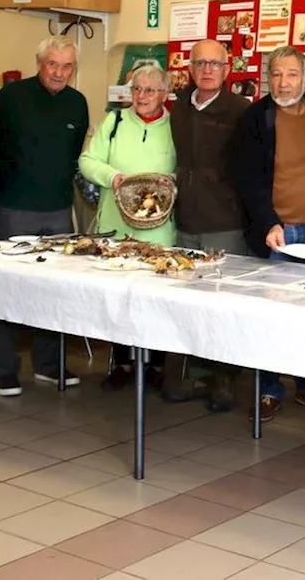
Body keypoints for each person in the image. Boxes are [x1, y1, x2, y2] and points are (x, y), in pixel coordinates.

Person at [235, 47, 305, 423]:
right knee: (269, 314)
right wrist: (267, 224)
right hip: (272, 232)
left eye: (291, 74)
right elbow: (246, 179)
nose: (283, 82)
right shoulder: (255, 118)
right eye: (276, 74)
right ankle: (268, 389)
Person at [0, 35, 89, 397]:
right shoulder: (11, 98)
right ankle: (3, 367)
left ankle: (47, 364)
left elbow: (74, 156)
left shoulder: (78, 103)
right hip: (14, 208)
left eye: (67, 67)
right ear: (39, 63)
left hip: (59, 211)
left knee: (53, 292)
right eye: (53, 65)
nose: (60, 72)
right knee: (8, 290)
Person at [79, 63, 176, 391]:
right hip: (116, 227)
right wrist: (113, 177)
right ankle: (121, 363)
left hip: (160, 232)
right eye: (136, 89)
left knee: (157, 300)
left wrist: (171, 182)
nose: (142, 96)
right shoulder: (115, 121)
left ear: (164, 93)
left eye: (150, 90)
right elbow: (87, 161)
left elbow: (185, 169)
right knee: (119, 298)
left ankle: (156, 365)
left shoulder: (175, 126)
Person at [165, 39, 250, 408]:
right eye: (200, 63)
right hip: (186, 218)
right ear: (190, 68)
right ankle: (195, 376)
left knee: (222, 299)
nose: (208, 70)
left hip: (224, 220)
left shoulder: (241, 109)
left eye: (215, 64)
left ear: (227, 69)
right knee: (188, 300)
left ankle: (224, 380)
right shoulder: (179, 107)